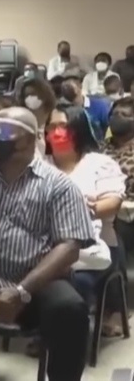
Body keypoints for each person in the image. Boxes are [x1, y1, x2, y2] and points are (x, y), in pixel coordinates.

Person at [0, 107, 95, 381]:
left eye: (3, 132)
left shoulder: (58, 185)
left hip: (37, 280)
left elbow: (69, 246)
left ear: (29, 139)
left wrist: (21, 291)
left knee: (70, 309)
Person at [46, 104, 127, 337]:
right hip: (45, 246)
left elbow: (111, 203)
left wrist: (76, 210)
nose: (57, 132)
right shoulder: (39, 164)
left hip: (94, 249)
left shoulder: (99, 163)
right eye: (52, 127)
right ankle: (45, 328)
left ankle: (66, 338)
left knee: (72, 281)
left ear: (78, 129)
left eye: (63, 126)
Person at [101, 97, 134, 291]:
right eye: (115, 114)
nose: (118, 118)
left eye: (125, 115)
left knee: (115, 228)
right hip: (106, 208)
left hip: (129, 212)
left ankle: (115, 304)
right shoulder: (102, 147)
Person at [60, 70, 110, 140]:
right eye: (64, 86)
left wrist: (106, 142)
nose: (66, 88)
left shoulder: (99, 105)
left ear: (80, 86)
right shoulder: (61, 109)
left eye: (69, 85)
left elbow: (108, 127)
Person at [16, 77, 57, 155]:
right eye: (27, 95)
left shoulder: (54, 117)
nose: (30, 98)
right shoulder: (22, 121)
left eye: (33, 94)